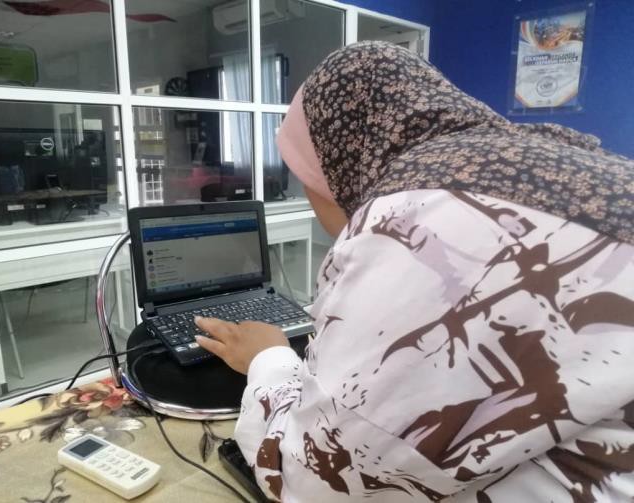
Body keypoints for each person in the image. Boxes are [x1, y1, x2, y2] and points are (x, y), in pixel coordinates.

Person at [195, 41, 634, 502]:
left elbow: (321, 478)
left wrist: (269, 359)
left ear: (333, 164)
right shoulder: (541, 164)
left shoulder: (414, 215)